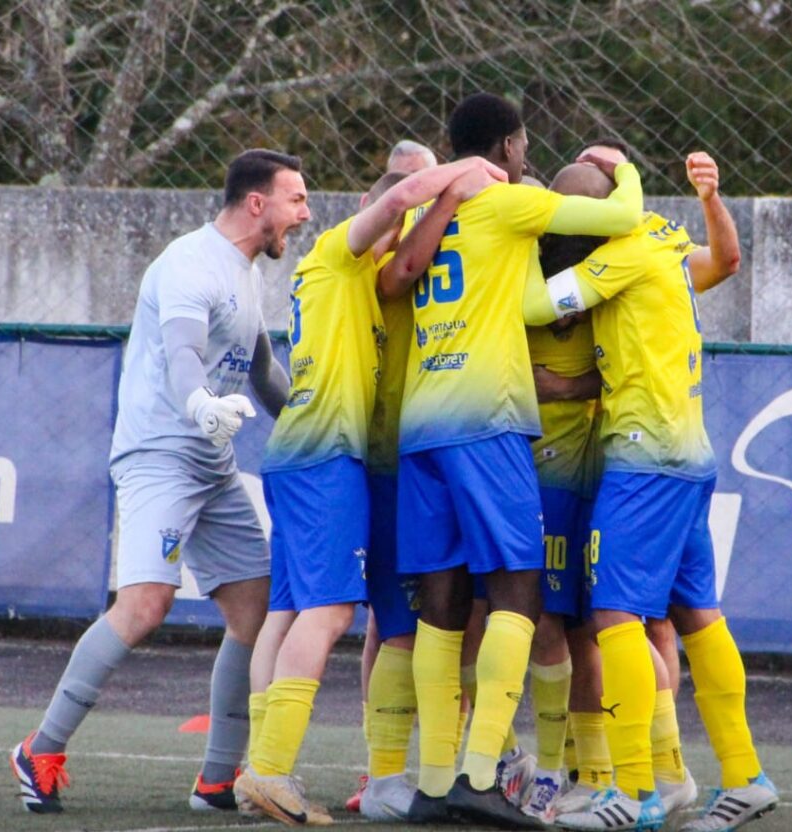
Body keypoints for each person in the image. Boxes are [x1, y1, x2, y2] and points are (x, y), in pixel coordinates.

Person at [10, 149, 309, 815]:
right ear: (256, 203)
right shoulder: (189, 264)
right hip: (160, 455)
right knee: (146, 605)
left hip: (211, 465)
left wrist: (322, 425)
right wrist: (201, 404)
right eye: (297, 198)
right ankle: (41, 748)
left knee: (254, 610)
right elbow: (180, 354)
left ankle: (216, 781)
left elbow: (263, 374)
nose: (307, 212)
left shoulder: (244, 274)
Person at [377, 91, 644, 829]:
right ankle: (478, 774)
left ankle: (434, 783)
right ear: (509, 145)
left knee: (442, 603)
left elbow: (412, 276)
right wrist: (621, 170)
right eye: (525, 146)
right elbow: (621, 221)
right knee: (520, 590)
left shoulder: (436, 211)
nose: (528, 158)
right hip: (486, 420)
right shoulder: (507, 202)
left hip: (422, 423)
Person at [234, 155, 507, 826]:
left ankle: (266, 770)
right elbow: (403, 197)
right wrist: (470, 167)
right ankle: (268, 770)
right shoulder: (337, 252)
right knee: (328, 615)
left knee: (294, 612)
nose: (305, 215)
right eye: (294, 200)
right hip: (326, 457)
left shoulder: (359, 282)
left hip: (312, 456)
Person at [523, 148, 777, 832]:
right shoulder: (663, 240)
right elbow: (725, 263)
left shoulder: (617, 258)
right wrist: (710, 202)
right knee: (698, 614)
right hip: (690, 455)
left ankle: (632, 796)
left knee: (611, 620)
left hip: (644, 462)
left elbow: (527, 303)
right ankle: (746, 775)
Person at [345, 138, 442, 816]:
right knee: (388, 619)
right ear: (372, 202)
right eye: (403, 192)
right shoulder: (358, 266)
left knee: (442, 617)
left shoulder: (441, 258)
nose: (412, 204)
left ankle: (449, 765)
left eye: (426, 193)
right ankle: (380, 767)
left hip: (433, 458)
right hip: (377, 461)